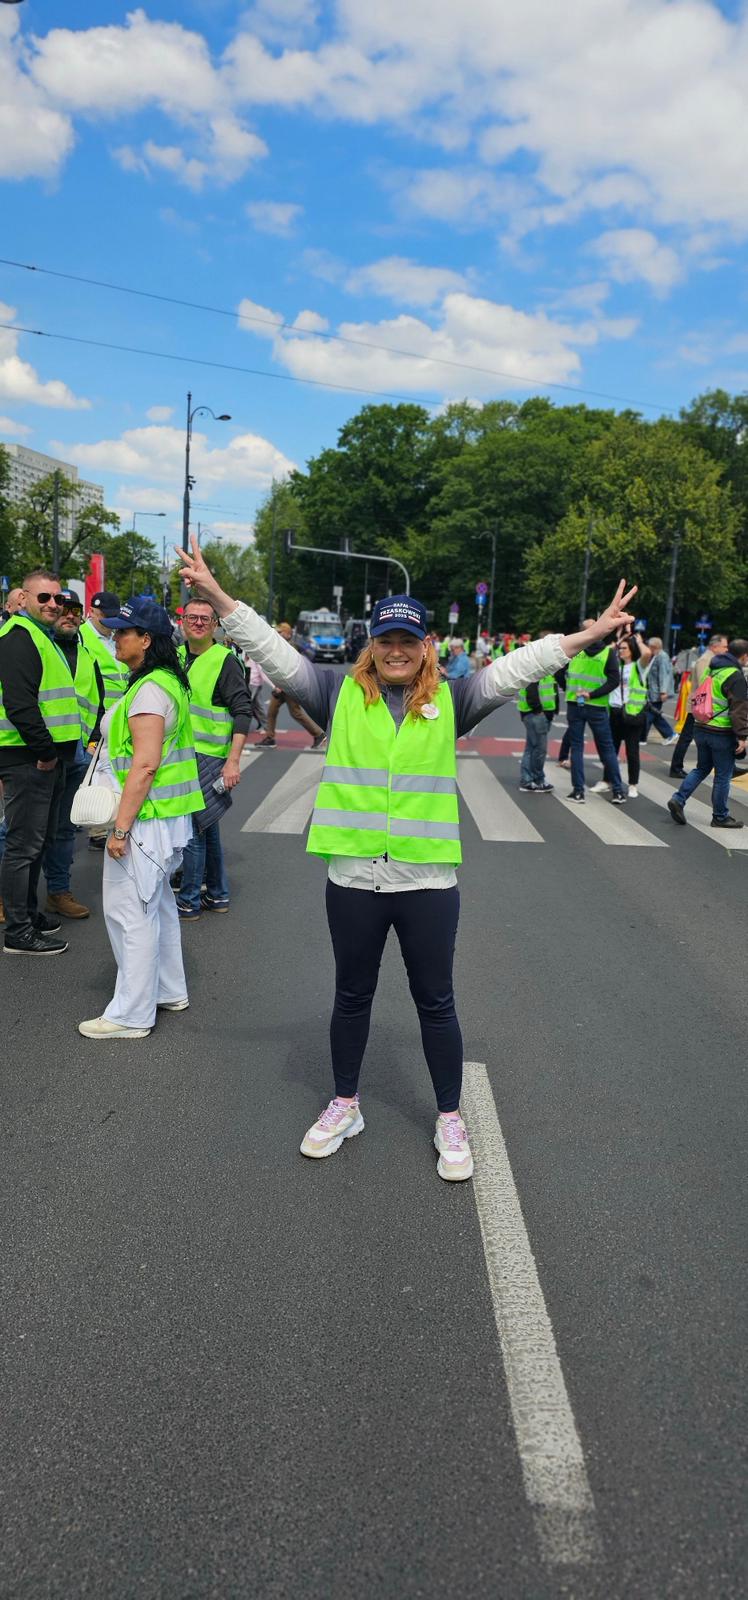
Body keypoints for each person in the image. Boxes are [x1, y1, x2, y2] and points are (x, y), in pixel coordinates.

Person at [176, 536, 637, 1180]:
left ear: (424, 648)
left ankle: (450, 1114)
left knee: (435, 1001)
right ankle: (345, 1103)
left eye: (408, 641)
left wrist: (588, 634)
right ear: (373, 644)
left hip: (425, 879)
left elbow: (522, 667)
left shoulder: (454, 698)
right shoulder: (335, 693)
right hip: (354, 878)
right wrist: (219, 597)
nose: (396, 650)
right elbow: (271, 654)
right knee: (352, 996)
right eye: (386, 640)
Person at [78, 598, 203, 1039]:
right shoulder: (163, 681)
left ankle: (130, 1014)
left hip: (146, 820)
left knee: (130, 914)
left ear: (146, 640)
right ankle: (168, 989)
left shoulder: (150, 690)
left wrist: (120, 828)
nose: (114, 636)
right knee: (158, 908)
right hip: (164, 819)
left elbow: (145, 765)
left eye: (122, 632)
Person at [0, 570, 82, 955]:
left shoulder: (40, 636)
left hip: (46, 759)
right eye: (44, 598)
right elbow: (19, 704)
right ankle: (18, 931)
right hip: (30, 759)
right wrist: (45, 753)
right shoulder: (20, 638)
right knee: (23, 846)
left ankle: (28, 916)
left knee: (37, 843)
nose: (53, 604)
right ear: (24, 598)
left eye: (58, 599)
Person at [176, 596, 253, 918]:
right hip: (182, 754)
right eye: (191, 617)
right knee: (207, 827)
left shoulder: (225, 660)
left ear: (215, 625)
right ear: (182, 621)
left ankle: (189, 900)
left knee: (193, 829)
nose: (197, 623)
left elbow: (242, 711)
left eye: (204, 619)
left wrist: (233, 761)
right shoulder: (178, 656)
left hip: (210, 757)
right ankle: (218, 894)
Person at [42, 589, 103, 919]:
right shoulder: (40, 648)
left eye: (75, 610)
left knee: (64, 829)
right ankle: (7, 894)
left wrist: (93, 741)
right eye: (63, 609)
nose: (69, 614)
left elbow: (98, 702)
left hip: (76, 755)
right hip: (39, 753)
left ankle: (58, 892)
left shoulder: (88, 656)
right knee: (24, 829)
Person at [667, 640, 748, 830]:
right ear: (743, 656)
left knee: (701, 768)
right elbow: (739, 710)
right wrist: (742, 737)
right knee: (723, 775)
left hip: (701, 727)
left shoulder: (711, 670)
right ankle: (720, 816)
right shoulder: (734, 676)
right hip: (721, 731)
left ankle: (678, 799)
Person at [565, 623, 626, 803]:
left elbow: (560, 673)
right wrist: (592, 694)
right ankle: (618, 791)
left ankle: (578, 792)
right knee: (607, 749)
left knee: (576, 747)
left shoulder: (574, 650)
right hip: (597, 706)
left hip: (574, 703)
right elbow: (614, 681)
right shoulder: (607, 653)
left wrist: (570, 689)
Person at [591, 632, 652, 798]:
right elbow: (603, 652)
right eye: (620, 648)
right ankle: (607, 781)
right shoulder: (615, 666)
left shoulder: (639, 667)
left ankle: (633, 784)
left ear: (632, 649)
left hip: (632, 714)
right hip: (615, 712)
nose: (620, 651)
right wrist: (617, 642)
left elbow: (647, 653)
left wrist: (638, 640)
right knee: (611, 750)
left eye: (624, 648)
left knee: (632, 751)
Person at [256, 623, 327, 748]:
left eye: (280, 632)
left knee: (295, 712)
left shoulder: (290, 648)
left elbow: (289, 669)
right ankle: (269, 737)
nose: (277, 634)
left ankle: (319, 734)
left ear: (287, 634)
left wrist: (280, 687)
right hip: (283, 684)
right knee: (272, 711)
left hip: (290, 684)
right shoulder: (281, 646)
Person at [669, 633, 728, 778]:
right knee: (687, 737)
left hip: (701, 706)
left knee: (694, 737)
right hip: (699, 707)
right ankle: (676, 767)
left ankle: (721, 765)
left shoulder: (711, 659)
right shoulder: (705, 660)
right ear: (715, 646)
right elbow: (705, 685)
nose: (726, 649)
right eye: (724, 646)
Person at [518, 638, 558, 792]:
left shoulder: (537, 667)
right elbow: (532, 692)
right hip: (536, 714)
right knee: (539, 750)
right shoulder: (536, 668)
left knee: (531, 747)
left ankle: (526, 780)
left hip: (533, 713)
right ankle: (538, 780)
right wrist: (539, 709)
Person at [644, 637, 676, 743]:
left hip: (657, 692)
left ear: (654, 647)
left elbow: (664, 675)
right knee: (654, 715)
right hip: (653, 691)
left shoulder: (662, 657)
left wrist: (663, 691)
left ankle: (641, 738)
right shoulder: (655, 656)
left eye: (649, 646)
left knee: (650, 714)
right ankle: (670, 734)